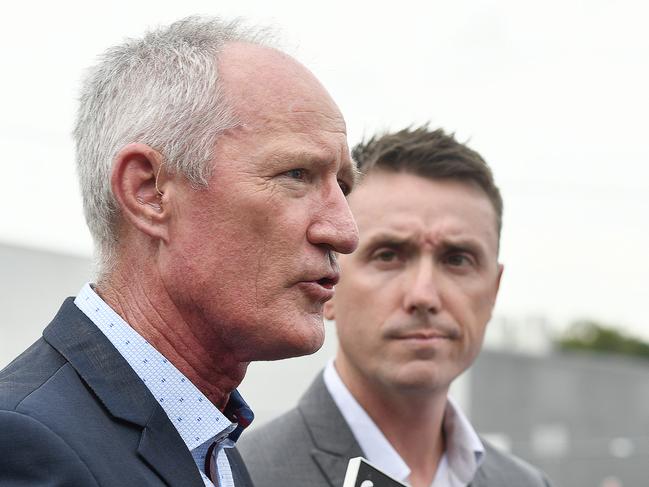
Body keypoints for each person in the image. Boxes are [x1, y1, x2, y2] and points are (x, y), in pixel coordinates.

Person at [0, 16, 358, 487]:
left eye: (344, 186)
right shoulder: (27, 445)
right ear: (149, 192)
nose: (345, 231)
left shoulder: (213, 448)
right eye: (295, 174)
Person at [239, 126, 552, 487]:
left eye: (457, 259)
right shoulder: (239, 478)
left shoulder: (526, 483)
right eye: (388, 255)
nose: (424, 295)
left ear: (494, 290)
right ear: (329, 279)